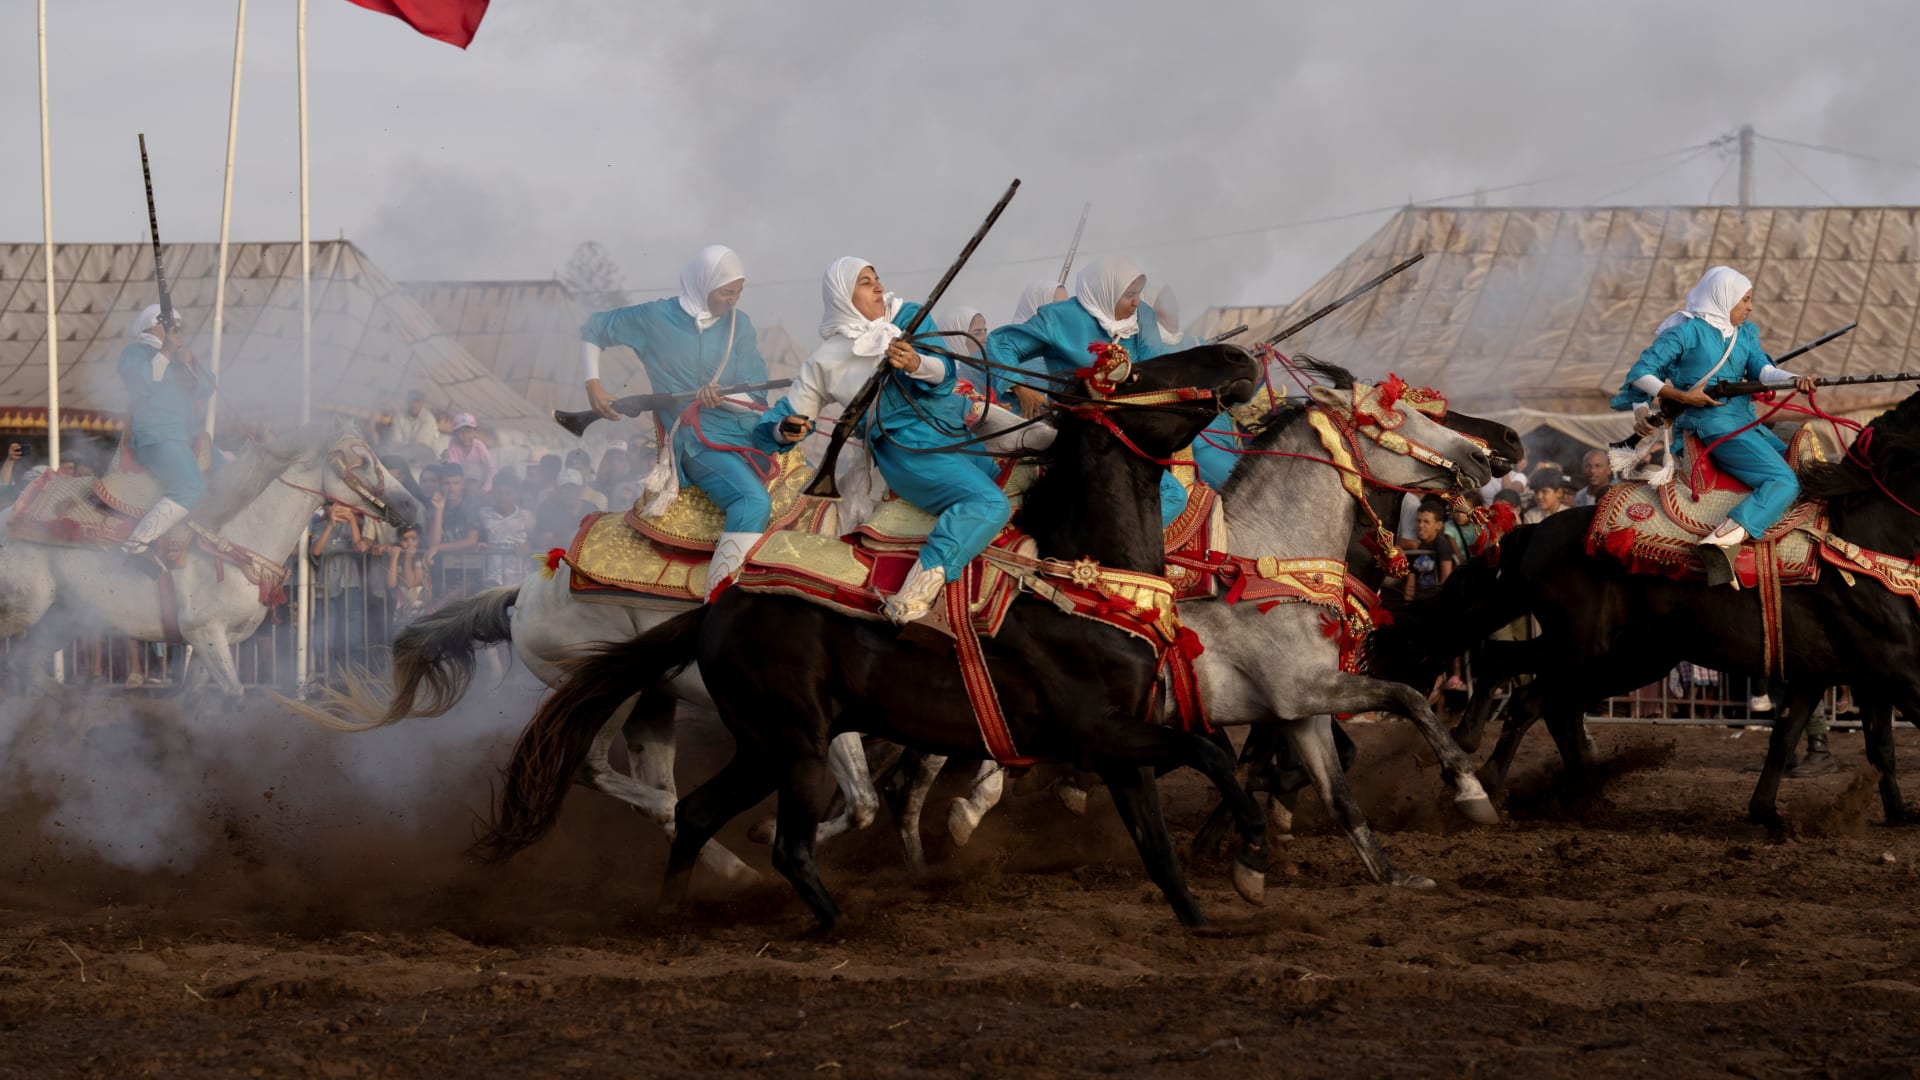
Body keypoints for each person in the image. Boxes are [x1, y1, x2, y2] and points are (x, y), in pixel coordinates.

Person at [756, 258, 1019, 624]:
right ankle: (915, 593)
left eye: (877, 279)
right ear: (843, 296)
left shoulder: (909, 315)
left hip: (954, 429)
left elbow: (946, 373)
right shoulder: (825, 360)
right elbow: (786, 415)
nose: (878, 287)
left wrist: (915, 363)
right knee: (989, 504)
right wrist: (784, 428)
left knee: (1018, 484)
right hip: (906, 449)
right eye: (865, 283)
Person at [579, 244, 776, 587]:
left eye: (739, 292)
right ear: (703, 285)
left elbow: (756, 392)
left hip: (745, 432)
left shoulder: (739, 324)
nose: (734, 300)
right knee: (752, 500)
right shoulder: (654, 318)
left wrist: (726, 398)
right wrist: (593, 385)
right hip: (697, 441)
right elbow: (593, 328)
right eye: (726, 292)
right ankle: (719, 601)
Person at [1612, 266, 1816, 559]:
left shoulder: (1744, 333)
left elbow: (1763, 369)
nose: (1750, 306)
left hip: (1745, 422)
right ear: (1725, 297)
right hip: (1712, 425)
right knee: (1783, 481)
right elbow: (1641, 373)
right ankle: (1721, 542)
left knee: (1802, 466)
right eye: (1745, 299)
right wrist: (1681, 396)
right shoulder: (1687, 332)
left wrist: (1795, 379)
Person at [984, 255, 1186, 526]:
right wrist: (1020, 387)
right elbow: (1002, 343)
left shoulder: (1142, 317)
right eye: (1129, 295)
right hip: (1077, 429)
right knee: (1170, 494)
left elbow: (1157, 366)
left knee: (1175, 495)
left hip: (1129, 429)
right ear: (1107, 290)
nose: (1136, 302)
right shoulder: (1059, 318)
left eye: (1138, 294)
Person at [117, 304, 214, 553]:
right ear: (153, 326)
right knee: (191, 487)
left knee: (229, 476)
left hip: (186, 437)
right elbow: (143, 384)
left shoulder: (178, 358)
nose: (177, 331)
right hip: (156, 436)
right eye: (171, 325)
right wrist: (166, 353)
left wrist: (189, 363)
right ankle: (134, 546)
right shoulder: (135, 352)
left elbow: (206, 388)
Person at [479, 470, 536, 587]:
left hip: (521, 579)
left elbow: (535, 540)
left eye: (508, 493)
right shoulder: (483, 514)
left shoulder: (526, 516)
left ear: (516, 494)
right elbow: (478, 538)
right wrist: (480, 544)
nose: (503, 497)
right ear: (493, 493)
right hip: (494, 579)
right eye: (499, 493)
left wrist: (529, 546)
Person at [442, 413, 497, 493]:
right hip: (462, 486)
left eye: (469, 432)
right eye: (461, 433)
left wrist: (485, 488)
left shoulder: (479, 446)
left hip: (481, 484)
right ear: (456, 434)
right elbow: (454, 468)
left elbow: (492, 468)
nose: (465, 436)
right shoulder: (453, 443)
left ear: (474, 432)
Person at [386, 389, 442, 457]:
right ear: (407, 402)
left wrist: (401, 446)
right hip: (402, 456)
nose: (414, 404)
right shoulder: (399, 417)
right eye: (411, 401)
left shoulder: (429, 419)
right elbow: (395, 442)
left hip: (426, 460)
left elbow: (420, 446)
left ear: (422, 403)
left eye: (417, 401)